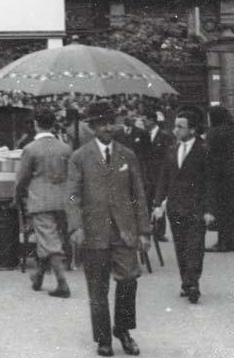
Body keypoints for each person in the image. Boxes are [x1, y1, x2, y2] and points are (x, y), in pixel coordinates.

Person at [67, 101, 150, 357]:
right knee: (97, 287)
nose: (108, 127)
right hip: (94, 231)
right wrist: (75, 227)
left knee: (128, 279)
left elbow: (138, 194)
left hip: (124, 231)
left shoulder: (127, 155)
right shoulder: (79, 157)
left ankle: (122, 330)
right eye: (102, 123)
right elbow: (72, 196)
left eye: (111, 122)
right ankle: (103, 339)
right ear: (91, 127)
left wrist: (144, 231)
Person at [152, 110, 216, 304]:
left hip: (197, 207)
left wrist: (209, 210)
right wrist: (157, 203)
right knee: (180, 246)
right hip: (175, 207)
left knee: (195, 246)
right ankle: (186, 282)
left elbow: (211, 182)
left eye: (180, 126)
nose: (175, 130)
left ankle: (193, 282)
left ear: (193, 129)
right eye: (175, 126)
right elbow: (164, 178)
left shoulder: (204, 150)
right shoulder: (172, 150)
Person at [14, 107, 72, 298]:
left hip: (39, 200)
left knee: (49, 241)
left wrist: (18, 195)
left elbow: (22, 178)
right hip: (62, 199)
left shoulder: (30, 149)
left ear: (36, 125)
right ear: (53, 124)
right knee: (48, 239)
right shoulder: (65, 148)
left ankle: (62, 282)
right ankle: (38, 276)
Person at [205, 106, 234, 252]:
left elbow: (209, 155)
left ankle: (223, 242)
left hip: (220, 176)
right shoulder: (231, 129)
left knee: (222, 209)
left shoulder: (214, 133)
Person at [142, 108, 173, 242]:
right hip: (146, 175)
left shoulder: (165, 136)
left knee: (158, 202)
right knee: (146, 203)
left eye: (145, 120)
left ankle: (159, 232)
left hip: (160, 175)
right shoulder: (143, 135)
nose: (143, 122)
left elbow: (169, 156)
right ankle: (147, 229)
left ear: (152, 120)